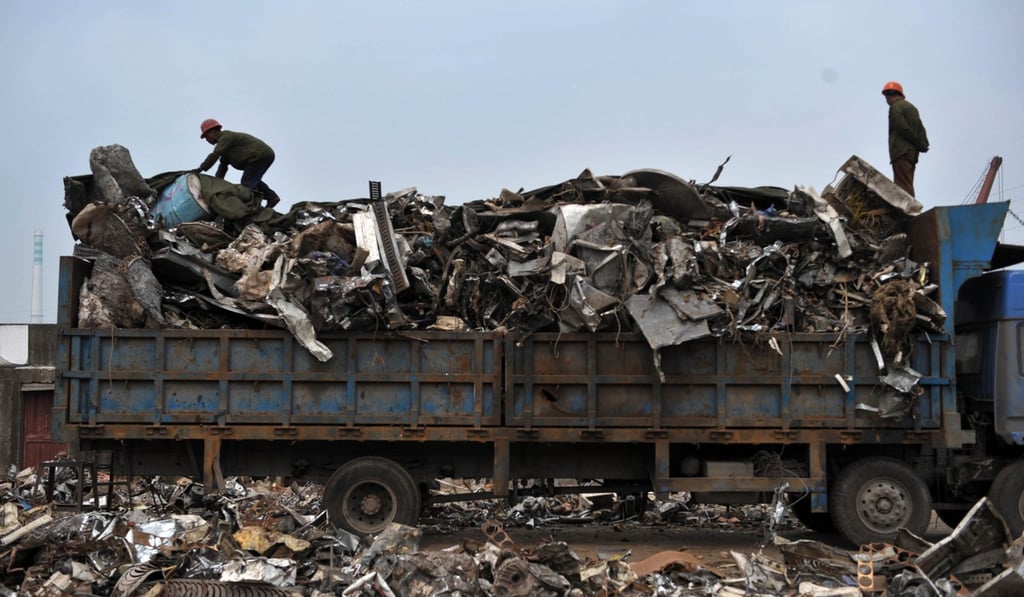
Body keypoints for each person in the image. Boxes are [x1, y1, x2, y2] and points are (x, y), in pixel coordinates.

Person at [197, 118, 281, 207]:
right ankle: (271, 197)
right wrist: (216, 185)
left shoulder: (225, 137)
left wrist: (200, 169)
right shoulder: (225, 145)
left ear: (212, 132)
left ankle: (253, 206)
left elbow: (215, 154)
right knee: (253, 180)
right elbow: (223, 167)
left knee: (247, 185)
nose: (207, 140)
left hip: (259, 156)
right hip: (261, 156)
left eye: (206, 137)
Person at [882, 81, 929, 197]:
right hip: (912, 153)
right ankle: (910, 205)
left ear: (891, 95)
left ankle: (909, 207)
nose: (886, 99)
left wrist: (917, 142)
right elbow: (921, 128)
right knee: (907, 182)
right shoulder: (912, 108)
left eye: (887, 96)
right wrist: (923, 144)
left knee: (902, 186)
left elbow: (902, 128)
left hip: (901, 151)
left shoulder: (895, 108)